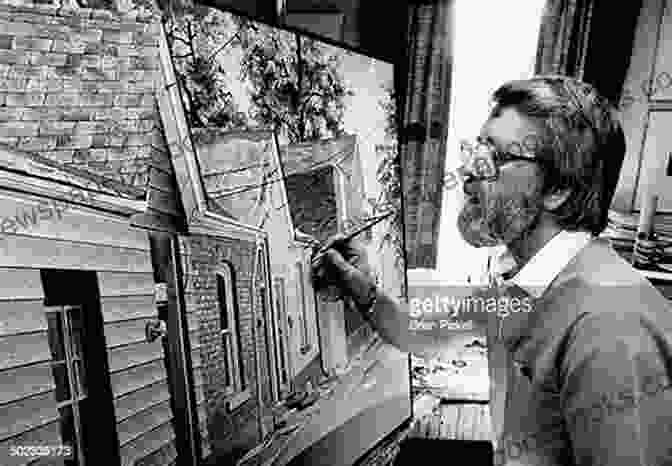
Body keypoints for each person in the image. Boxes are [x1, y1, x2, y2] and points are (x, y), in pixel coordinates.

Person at [311, 75, 672, 466]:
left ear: (558, 188)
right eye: (474, 150)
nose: (466, 173)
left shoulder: (611, 327)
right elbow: (418, 333)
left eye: (492, 158)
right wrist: (357, 283)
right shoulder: (523, 282)